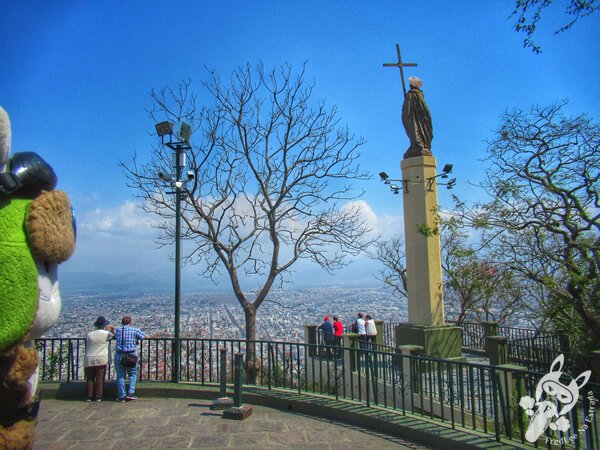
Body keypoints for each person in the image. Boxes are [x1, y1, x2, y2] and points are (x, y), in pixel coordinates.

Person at [84, 316, 115, 402]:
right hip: (101, 357)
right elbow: (114, 336)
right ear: (105, 325)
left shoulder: (89, 334)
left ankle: (89, 396)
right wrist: (112, 329)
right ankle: (98, 396)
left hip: (89, 357)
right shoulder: (106, 334)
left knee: (90, 377)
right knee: (100, 377)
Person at [114, 315, 145, 402]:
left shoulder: (119, 330)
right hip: (130, 355)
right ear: (130, 322)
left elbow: (114, 336)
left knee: (120, 375)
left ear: (122, 322)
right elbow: (143, 336)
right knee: (132, 374)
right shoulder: (134, 330)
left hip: (119, 354)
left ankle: (121, 396)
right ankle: (130, 393)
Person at [401, 76, 433, 159]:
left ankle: (420, 146)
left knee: (416, 132)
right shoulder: (416, 94)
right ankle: (417, 146)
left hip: (416, 119)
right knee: (415, 133)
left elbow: (407, 110)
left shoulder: (413, 94)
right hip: (415, 118)